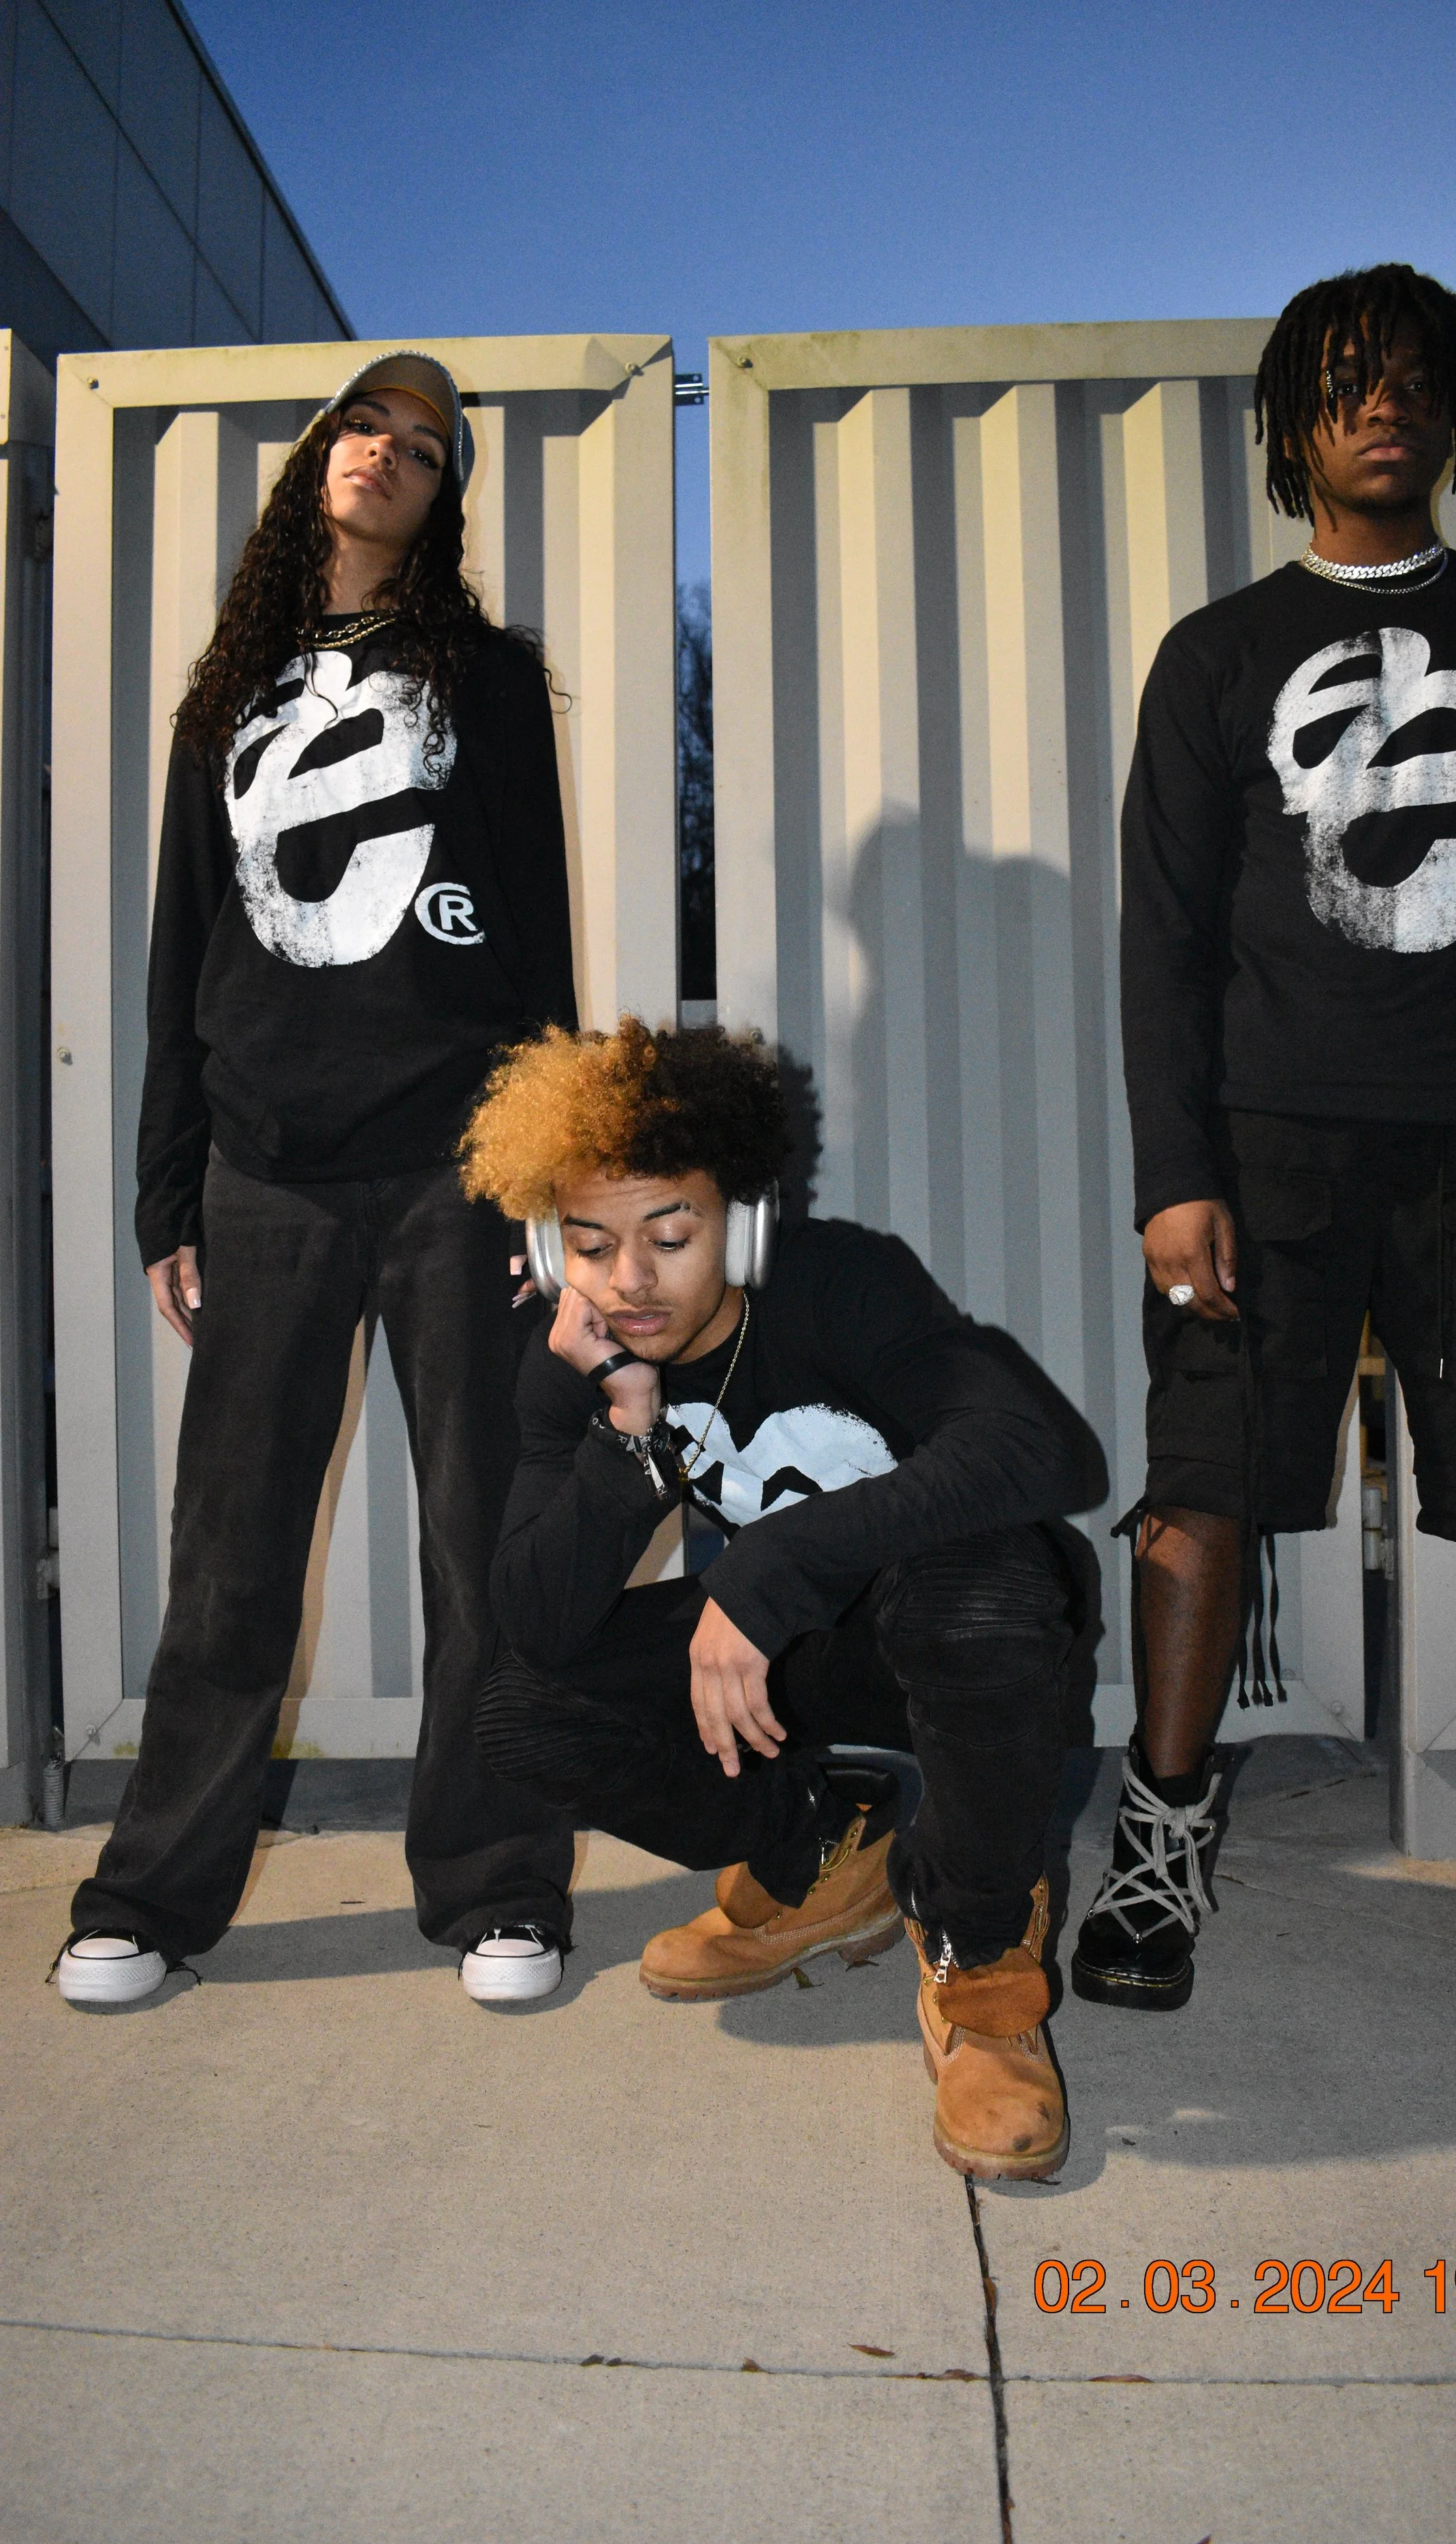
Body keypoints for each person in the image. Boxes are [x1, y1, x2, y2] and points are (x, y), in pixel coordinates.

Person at [1073, 264, 1456, 2023]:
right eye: (1343, 378)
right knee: (1198, 1484)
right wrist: (1170, 1168)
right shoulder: (1214, 656)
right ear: (1289, 421)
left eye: (1412, 376)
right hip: (1266, 1155)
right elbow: (1160, 935)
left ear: (1452, 412)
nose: (1381, 401)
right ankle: (1159, 1837)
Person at [59, 352, 580, 2009]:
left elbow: (537, 946)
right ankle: (148, 1899)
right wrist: (169, 1196)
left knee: (478, 1549)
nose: (388, 456)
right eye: (367, 427)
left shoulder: (486, 684)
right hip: (264, 1175)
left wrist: (544, 1175)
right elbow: (179, 956)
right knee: (230, 1561)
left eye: (426, 452)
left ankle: (497, 1884)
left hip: (451, 1167)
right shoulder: (227, 693)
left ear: (442, 506)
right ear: (314, 462)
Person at [458, 1018, 1107, 2180]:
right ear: (555, 1253)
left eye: (670, 1234)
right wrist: (626, 1429)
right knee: (518, 1707)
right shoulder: (581, 1359)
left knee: (979, 1580)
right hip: (805, 1669)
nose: (632, 1279)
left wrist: (765, 1568)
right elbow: (537, 1625)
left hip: (972, 1652)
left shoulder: (841, 1282)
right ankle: (825, 1846)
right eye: (592, 1244)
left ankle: (984, 1961)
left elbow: (1039, 1450)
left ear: (745, 1223)